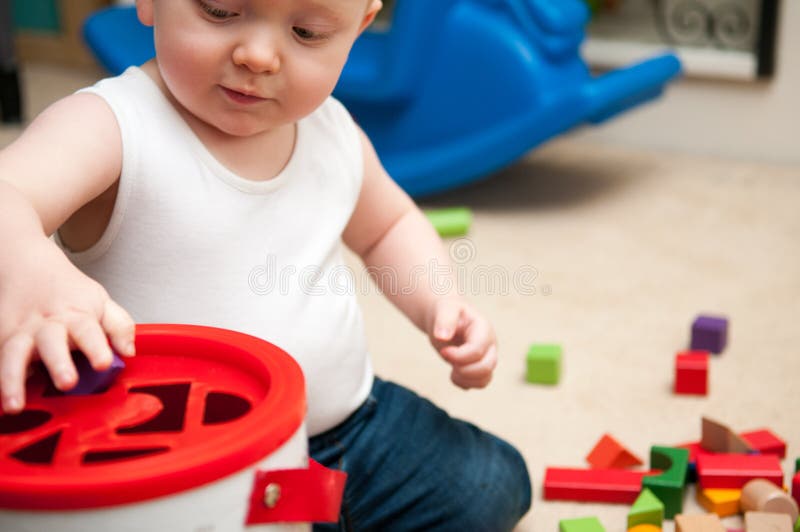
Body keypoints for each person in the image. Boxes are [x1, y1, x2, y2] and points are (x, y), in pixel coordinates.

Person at [0, 0, 531, 529]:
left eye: (307, 31)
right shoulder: (112, 124)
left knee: (494, 480)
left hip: (345, 428)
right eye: (220, 11)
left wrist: (441, 302)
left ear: (359, 28)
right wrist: (39, 275)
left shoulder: (333, 129)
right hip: (175, 465)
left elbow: (388, 226)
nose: (258, 56)